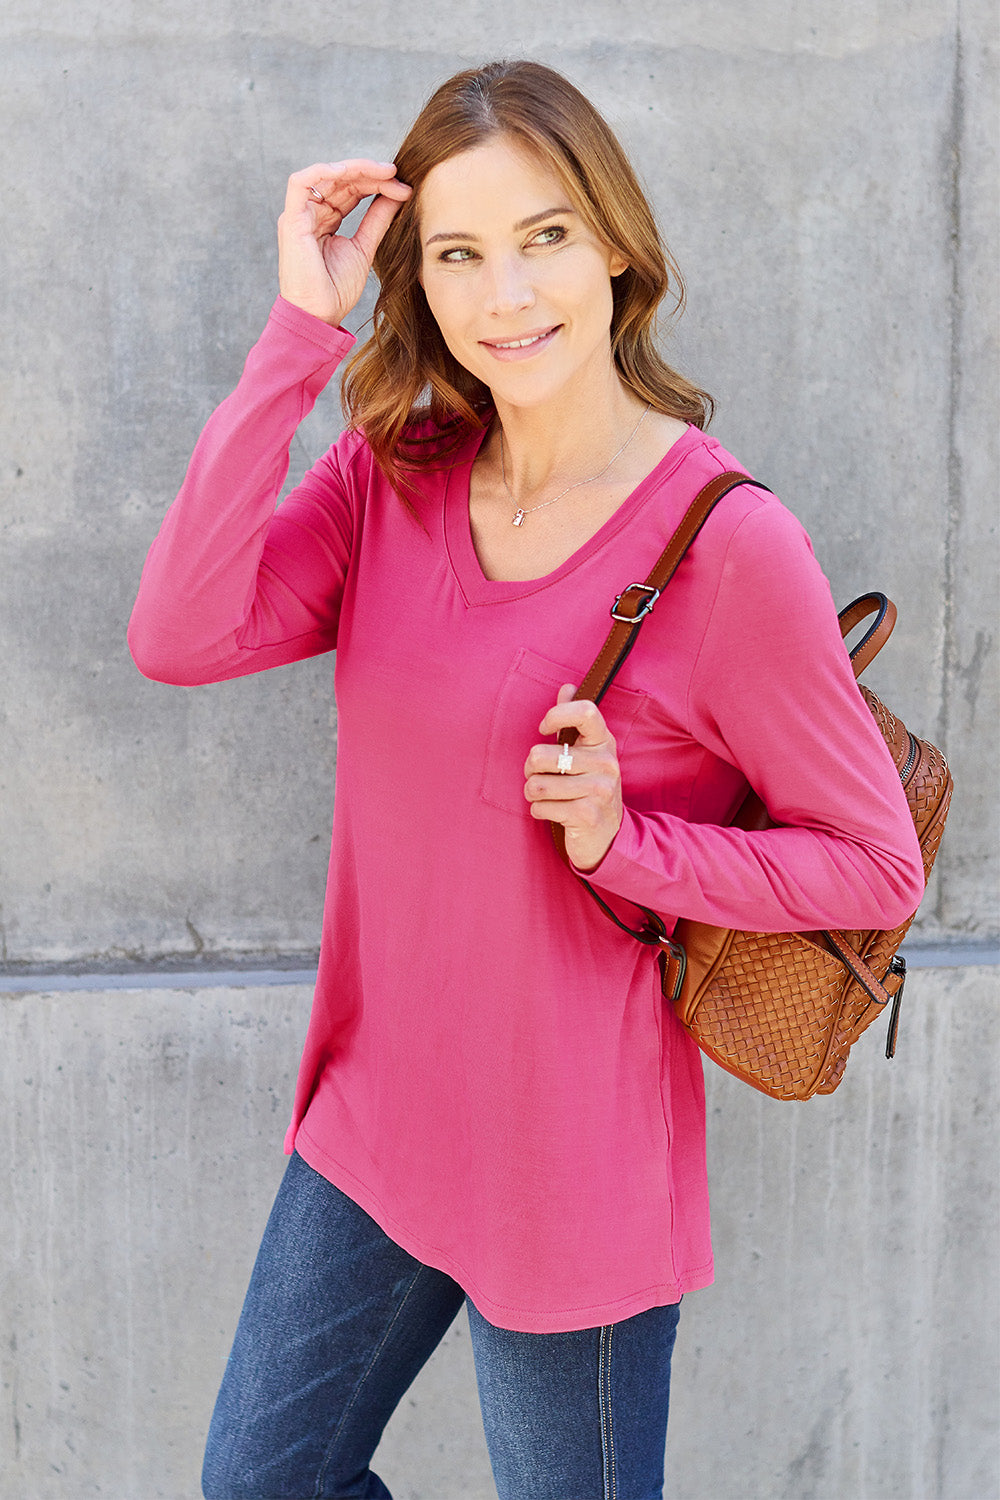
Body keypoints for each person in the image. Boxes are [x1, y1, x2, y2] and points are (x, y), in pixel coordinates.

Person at [128, 58, 924, 1500]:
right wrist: (296, 336)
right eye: (459, 254)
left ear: (614, 243)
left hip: (572, 1162)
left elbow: (876, 866)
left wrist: (632, 842)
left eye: (545, 235)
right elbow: (180, 633)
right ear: (418, 286)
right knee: (261, 1480)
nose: (508, 295)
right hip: (378, 1115)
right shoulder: (396, 475)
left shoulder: (730, 546)